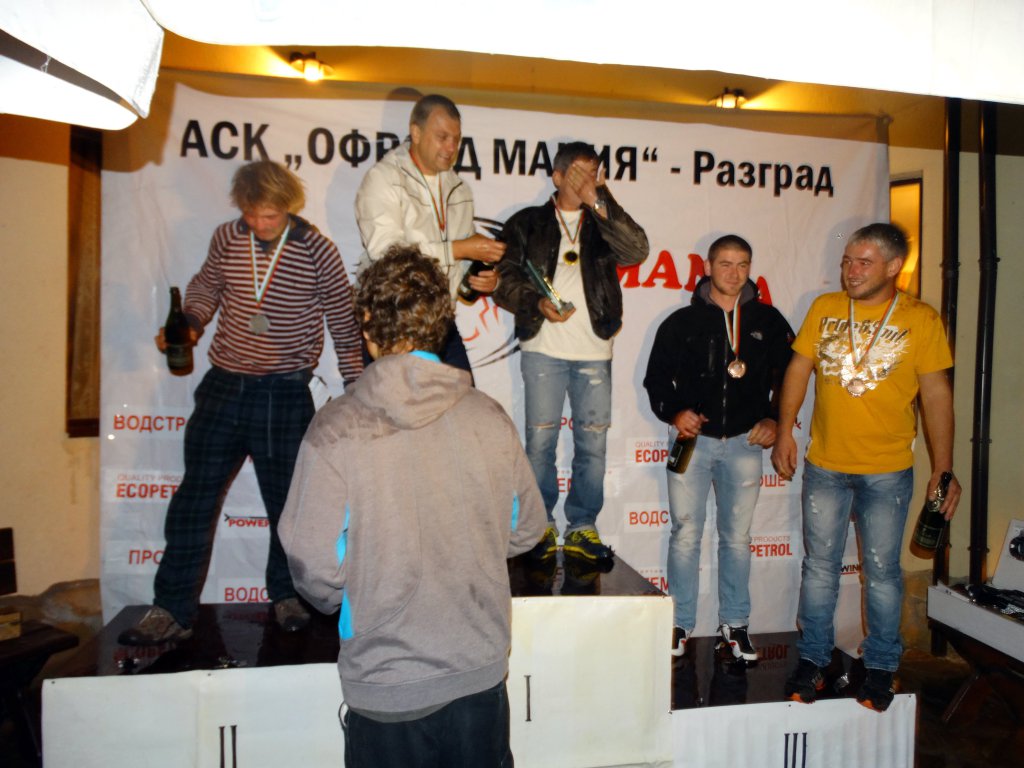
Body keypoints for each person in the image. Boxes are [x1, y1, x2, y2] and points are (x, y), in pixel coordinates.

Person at [279, 246, 546, 768]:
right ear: (440, 324)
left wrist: (356, 598)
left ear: (366, 326)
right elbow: (527, 528)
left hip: (387, 681)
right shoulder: (489, 417)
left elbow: (314, 562)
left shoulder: (336, 428)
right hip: (478, 672)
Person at [118, 161, 363, 646]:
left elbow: (342, 317)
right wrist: (190, 322)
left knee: (289, 509)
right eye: (251, 214)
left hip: (284, 391)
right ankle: (171, 609)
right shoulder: (228, 237)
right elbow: (206, 287)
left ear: (288, 206)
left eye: (269, 215)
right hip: (225, 386)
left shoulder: (317, 249)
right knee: (193, 501)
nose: (259, 223)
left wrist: (356, 386)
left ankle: (287, 595)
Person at [771, 222, 961, 712]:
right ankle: (813, 659)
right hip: (825, 465)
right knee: (819, 569)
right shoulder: (826, 308)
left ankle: (880, 666)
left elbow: (936, 396)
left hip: (887, 471)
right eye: (847, 262)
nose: (850, 271)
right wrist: (786, 428)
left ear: (894, 266)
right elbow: (798, 369)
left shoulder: (921, 319)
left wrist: (943, 468)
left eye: (863, 263)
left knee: (881, 573)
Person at [494, 141, 649, 561]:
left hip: (594, 348)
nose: (586, 181)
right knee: (540, 443)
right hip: (543, 347)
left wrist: (601, 199)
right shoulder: (527, 223)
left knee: (592, 446)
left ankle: (582, 525)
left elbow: (637, 250)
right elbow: (502, 279)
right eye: (579, 173)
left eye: (593, 174)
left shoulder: (602, 222)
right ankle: (539, 524)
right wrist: (535, 302)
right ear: (558, 176)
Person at [643, 234, 794, 661]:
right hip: (692, 443)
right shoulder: (681, 321)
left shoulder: (768, 320)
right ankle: (679, 622)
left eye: (742, 264)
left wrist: (775, 419)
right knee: (685, 535)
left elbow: (790, 377)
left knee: (737, 539)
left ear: (750, 268)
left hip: (745, 443)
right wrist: (674, 413)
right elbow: (656, 379)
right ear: (708, 267)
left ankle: (736, 623)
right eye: (725, 263)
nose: (734, 272)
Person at [354, 93, 505, 374]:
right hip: (393, 320)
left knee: (462, 396)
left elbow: (462, 255)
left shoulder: (459, 188)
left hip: (439, 319)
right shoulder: (383, 178)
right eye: (442, 137)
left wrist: (482, 276)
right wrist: (458, 248)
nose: (451, 147)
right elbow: (385, 253)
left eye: (456, 139)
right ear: (416, 132)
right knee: (394, 401)